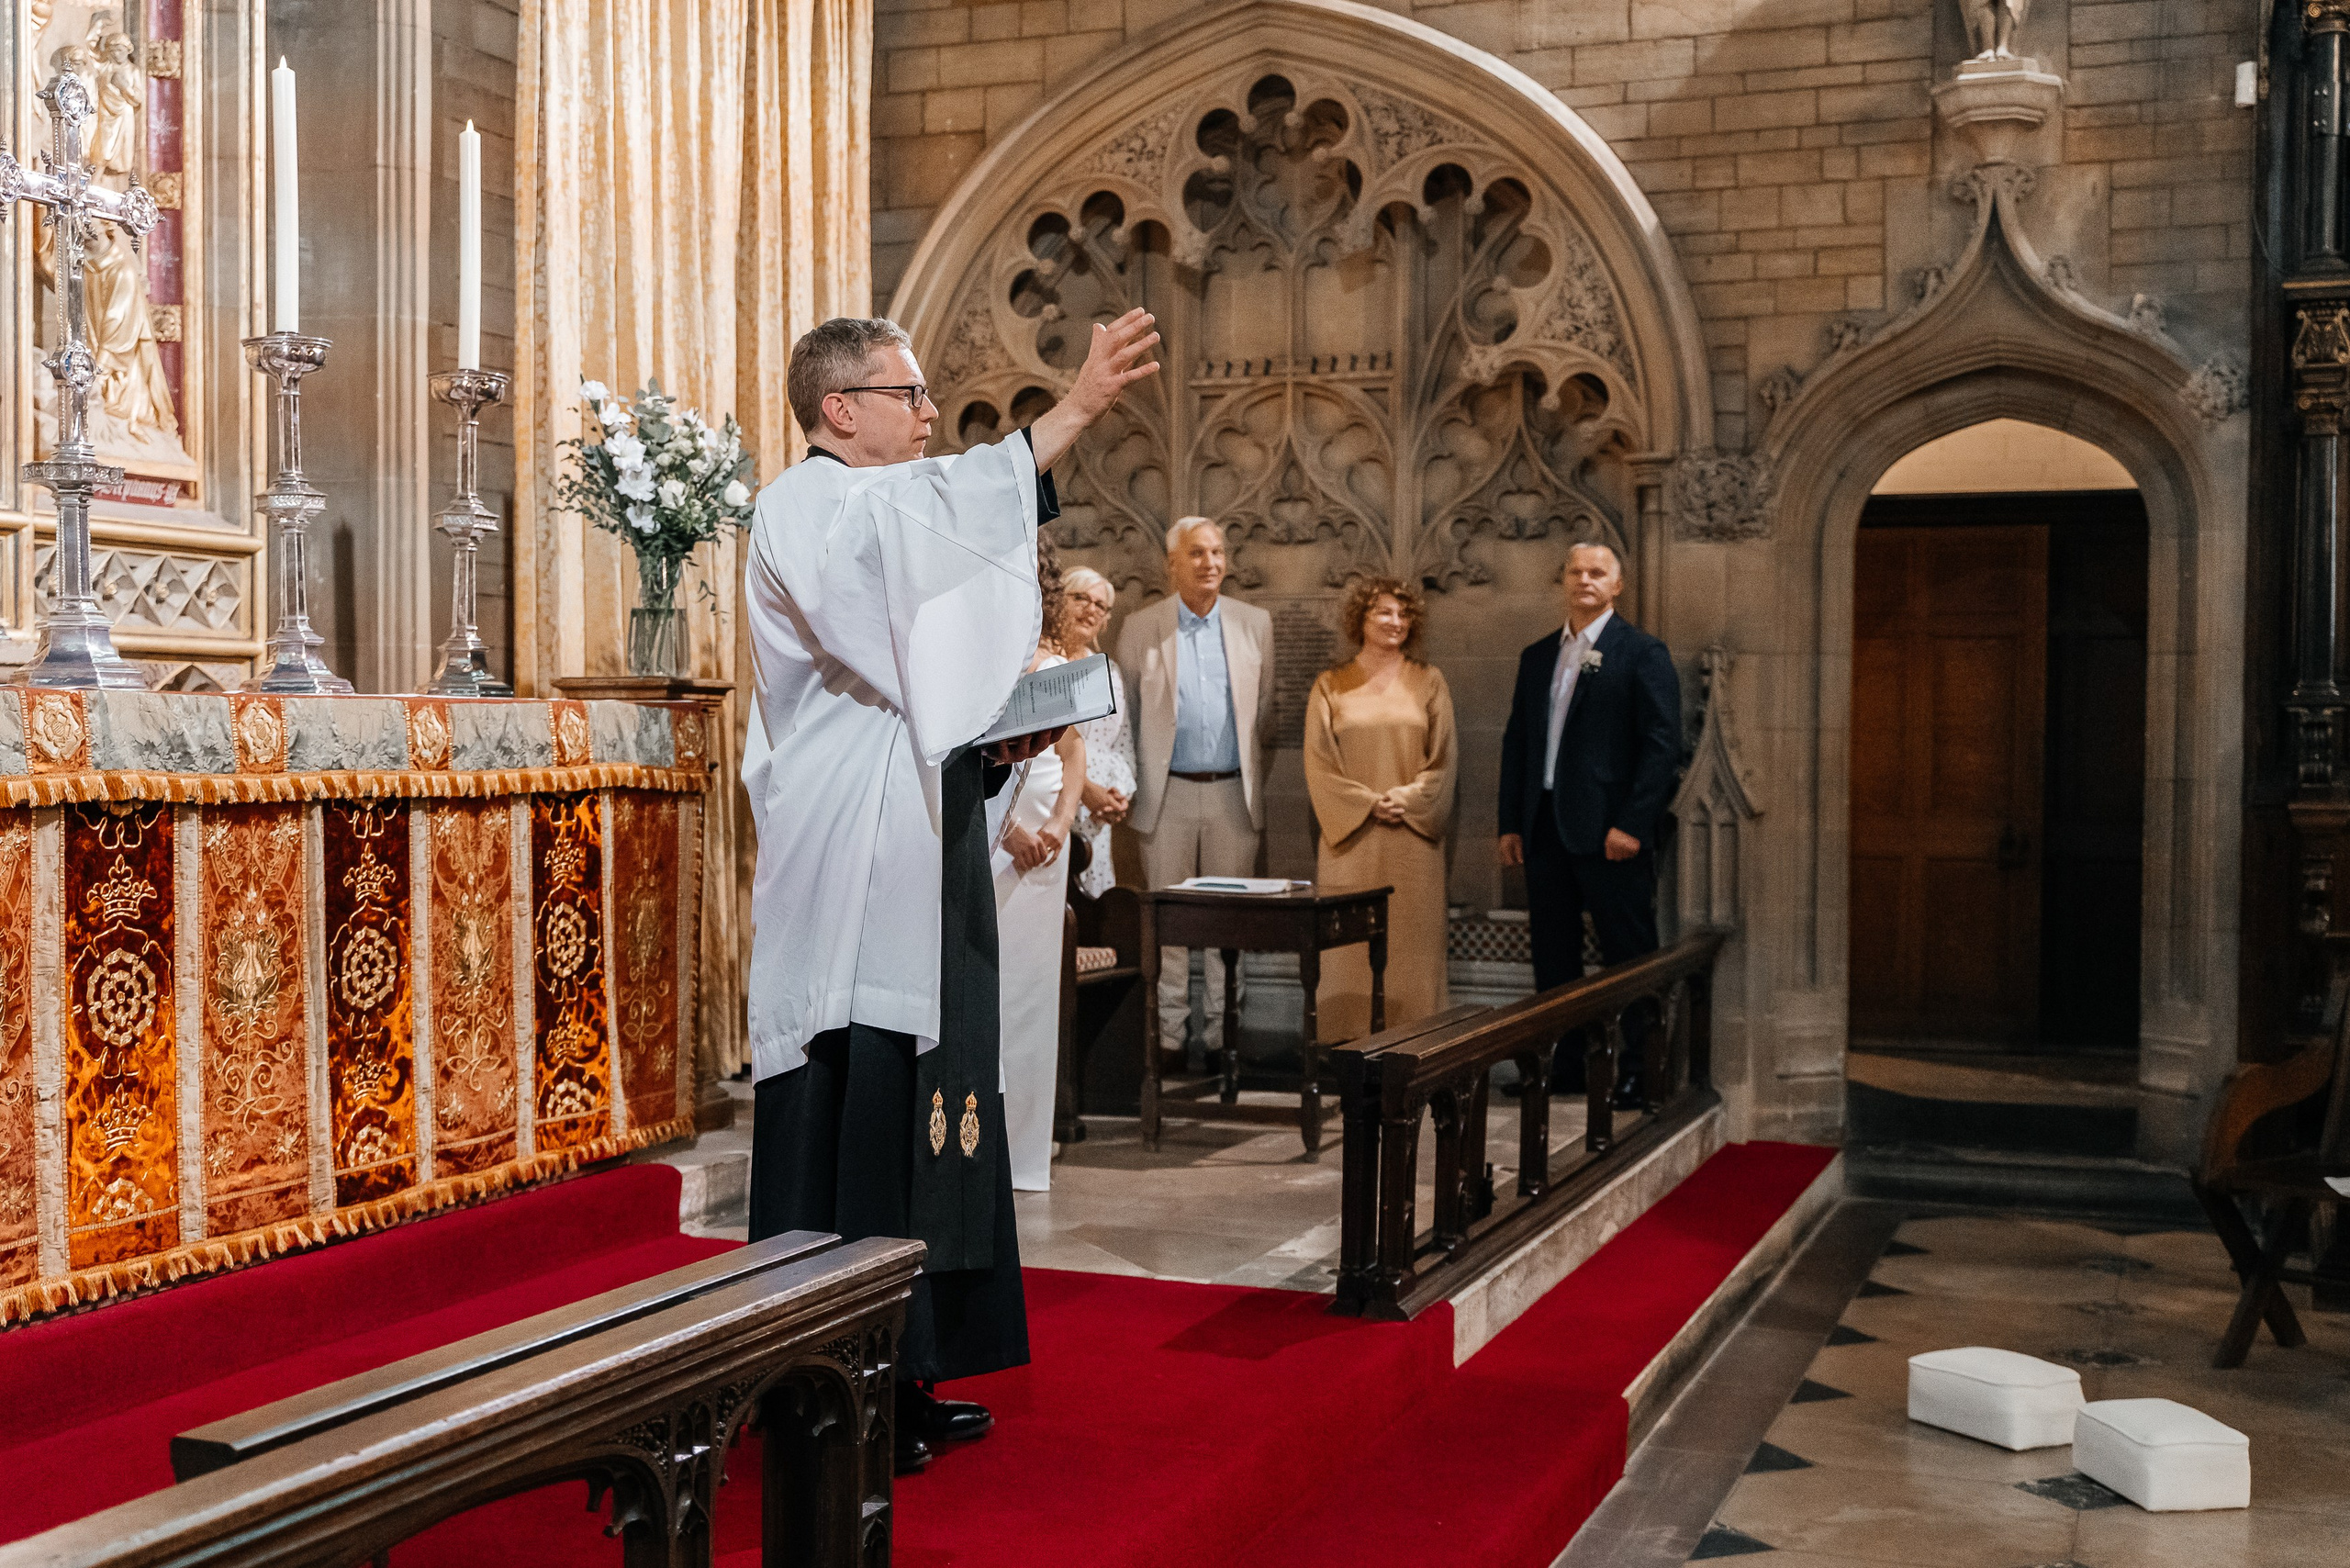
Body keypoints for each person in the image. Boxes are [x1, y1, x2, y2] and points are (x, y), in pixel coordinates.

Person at [742, 308, 1158, 1473]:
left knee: (939, 1100)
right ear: (841, 407)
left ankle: (908, 1370)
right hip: (855, 866)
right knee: (864, 1101)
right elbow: (904, 578)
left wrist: (994, 745)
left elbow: (920, 665)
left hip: (919, 838)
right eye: (910, 394)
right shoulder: (807, 505)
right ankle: (831, 1390)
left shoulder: (878, 510)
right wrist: (1067, 414)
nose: (929, 417)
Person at [1496, 541, 1680, 1103]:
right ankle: (1561, 1065)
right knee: (1554, 955)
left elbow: (1662, 746)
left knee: (1628, 953)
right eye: (1575, 571)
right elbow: (1519, 743)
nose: (1584, 580)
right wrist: (1511, 822)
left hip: (1611, 835)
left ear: (1617, 585)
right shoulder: (1537, 655)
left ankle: (1641, 1069)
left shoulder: (1641, 653)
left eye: (1597, 572)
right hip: (1545, 826)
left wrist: (1633, 823)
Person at [1116, 518, 1274, 1056]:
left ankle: (1222, 1038)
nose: (1210, 563)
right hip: (1168, 796)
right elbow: (1128, 718)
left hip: (1232, 794)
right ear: (1172, 564)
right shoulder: (1141, 628)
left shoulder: (1256, 624)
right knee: (1169, 926)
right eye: (1197, 553)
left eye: (1217, 552)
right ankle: (1168, 1042)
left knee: (1231, 925)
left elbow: (1264, 716)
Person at [1303, 577, 1457, 1040]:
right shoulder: (1331, 685)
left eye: (1403, 614)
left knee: (1413, 948)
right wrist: (1368, 805)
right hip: (1350, 838)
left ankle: (1416, 1044)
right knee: (1347, 949)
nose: (1395, 622)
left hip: (1413, 841)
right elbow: (1319, 763)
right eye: (1384, 612)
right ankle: (1347, 1046)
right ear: (1361, 620)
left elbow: (1444, 761)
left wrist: (1406, 800)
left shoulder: (1429, 681)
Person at [991, 560, 1087, 1193]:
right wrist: (1009, 832)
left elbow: (1073, 750)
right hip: (993, 841)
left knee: (1030, 1000)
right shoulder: (979, 660)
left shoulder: (1054, 665)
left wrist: (1060, 824)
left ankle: (1027, 1152)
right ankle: (984, 1148)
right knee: (990, 999)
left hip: (1047, 851)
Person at [1057, 566, 1136, 897]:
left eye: (1100, 606)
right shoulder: (1043, 662)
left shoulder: (1109, 670)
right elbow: (1040, 746)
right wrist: (1085, 790)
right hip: (1054, 804)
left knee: (1092, 919)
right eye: (1081, 598)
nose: (1091, 610)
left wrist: (1117, 796)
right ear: (1058, 601)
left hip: (1097, 819)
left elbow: (1122, 744)